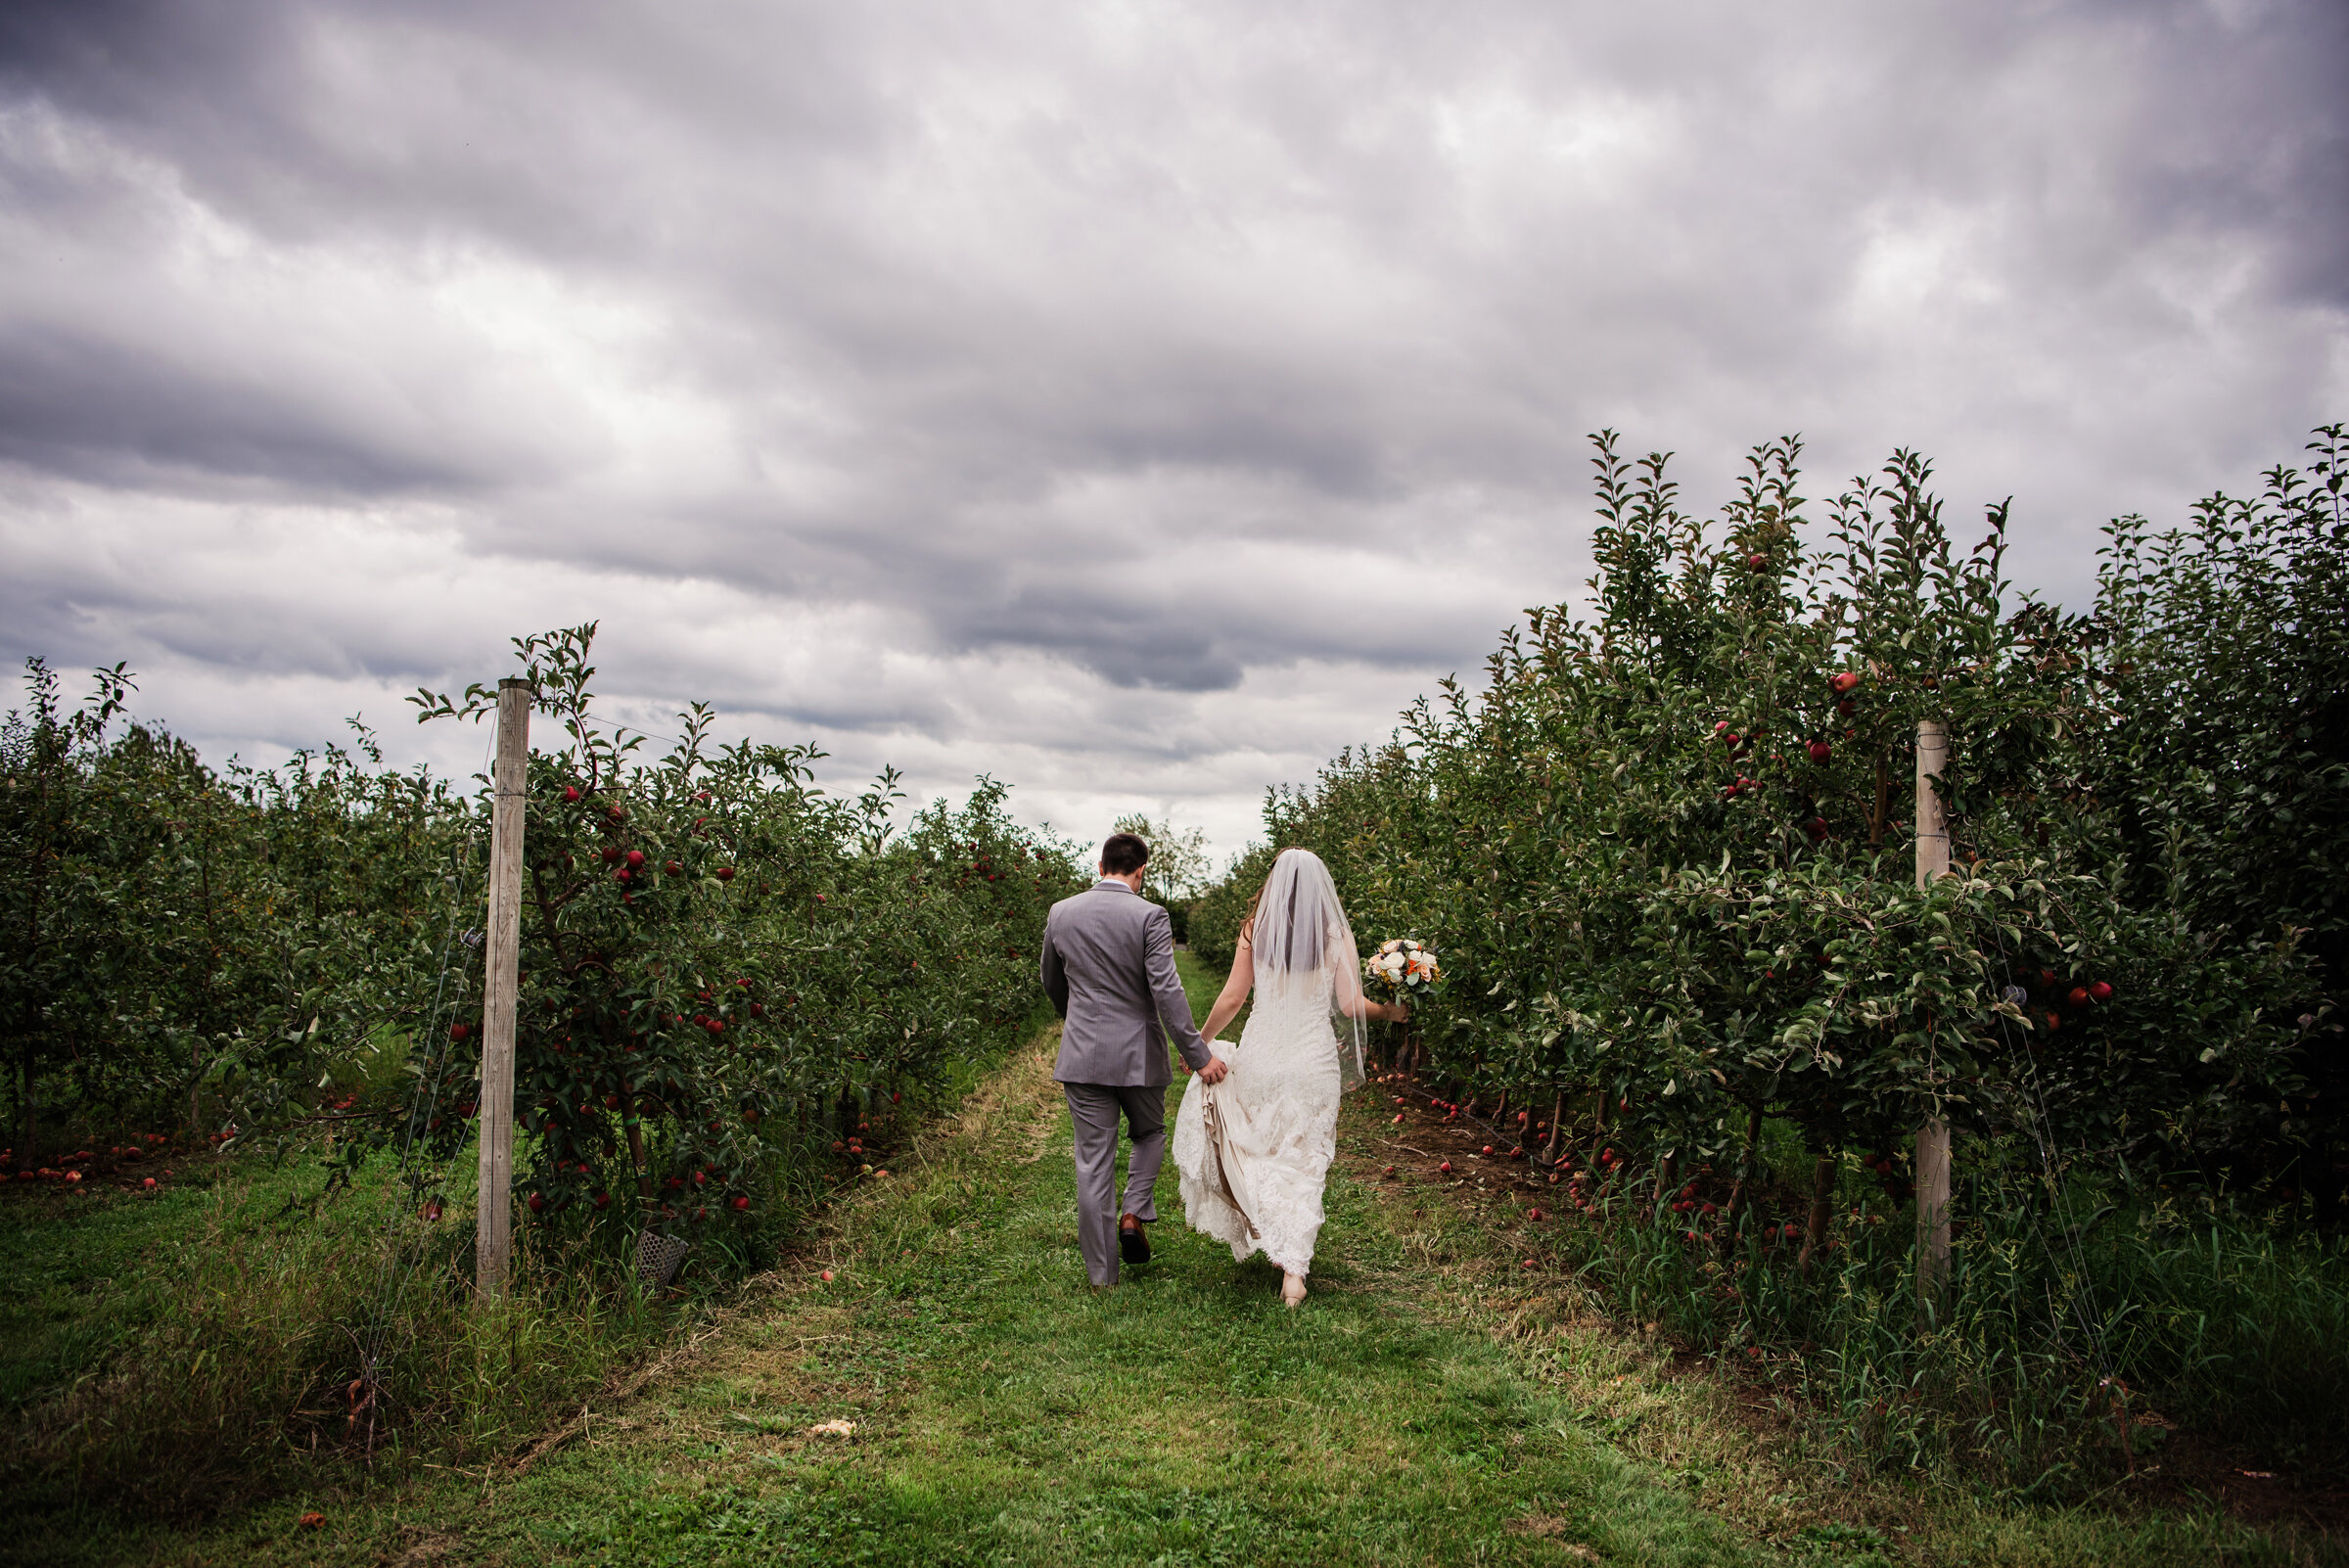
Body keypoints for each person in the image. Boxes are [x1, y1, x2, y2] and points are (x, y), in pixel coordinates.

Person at [1171, 847, 1408, 1308]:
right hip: (1312, 1061)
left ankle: (1280, 1241)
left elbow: (1233, 998)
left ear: (1276, 885)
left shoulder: (1255, 930)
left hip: (1264, 1055)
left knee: (1264, 1149)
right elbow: (1350, 1005)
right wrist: (1392, 1011)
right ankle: (1294, 1270)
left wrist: (1197, 1042)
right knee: (1305, 1161)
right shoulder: (1335, 934)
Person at [1038, 831, 1225, 1291]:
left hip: (1082, 1057)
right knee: (1149, 1132)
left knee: (1092, 1163)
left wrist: (1078, 1018)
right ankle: (1134, 1210)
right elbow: (1167, 989)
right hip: (1139, 1056)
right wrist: (1198, 1055)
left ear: (1100, 867)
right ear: (1140, 871)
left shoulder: (1061, 912)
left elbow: (1051, 980)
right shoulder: (1150, 916)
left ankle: (1102, 1276)